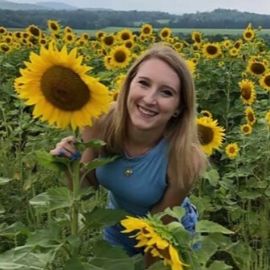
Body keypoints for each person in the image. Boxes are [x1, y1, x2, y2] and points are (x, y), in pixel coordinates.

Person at [50, 43, 206, 266]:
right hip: (117, 229)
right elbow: (85, 186)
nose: (150, 99)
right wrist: (68, 164)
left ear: (179, 108)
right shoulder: (101, 121)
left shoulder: (185, 157)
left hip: (169, 238)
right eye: (143, 83)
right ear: (128, 84)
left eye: (166, 92)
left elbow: (158, 232)